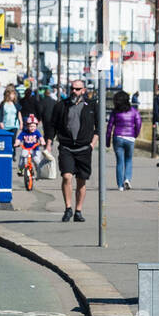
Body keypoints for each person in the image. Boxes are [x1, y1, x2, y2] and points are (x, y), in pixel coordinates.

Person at [50, 79, 98, 222]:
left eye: (77, 89)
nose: (74, 91)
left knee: (81, 180)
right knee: (66, 176)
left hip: (84, 148)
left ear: (83, 90)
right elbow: (53, 125)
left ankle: (78, 210)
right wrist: (48, 142)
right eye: (72, 88)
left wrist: (92, 144)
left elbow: (99, 127)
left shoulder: (91, 106)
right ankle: (68, 208)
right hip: (66, 147)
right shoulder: (62, 106)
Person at [106, 90, 141, 190]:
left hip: (118, 137)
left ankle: (120, 186)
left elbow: (109, 127)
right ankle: (127, 179)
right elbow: (138, 124)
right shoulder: (134, 111)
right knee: (129, 160)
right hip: (130, 137)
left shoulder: (115, 112)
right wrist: (135, 135)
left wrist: (107, 141)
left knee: (119, 162)